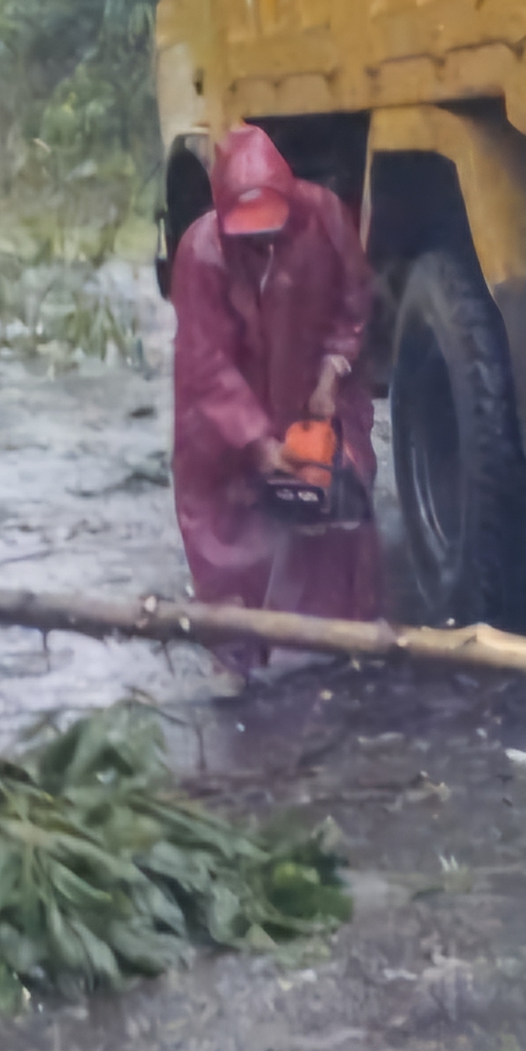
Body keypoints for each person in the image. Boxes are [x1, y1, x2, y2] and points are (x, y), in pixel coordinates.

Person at [170, 124, 382, 673]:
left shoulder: (325, 217)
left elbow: (354, 300)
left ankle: (339, 644)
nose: (260, 239)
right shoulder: (201, 253)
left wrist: (332, 373)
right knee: (226, 529)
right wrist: (255, 443)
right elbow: (206, 364)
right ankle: (234, 652)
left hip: (307, 394)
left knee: (338, 507)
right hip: (225, 412)